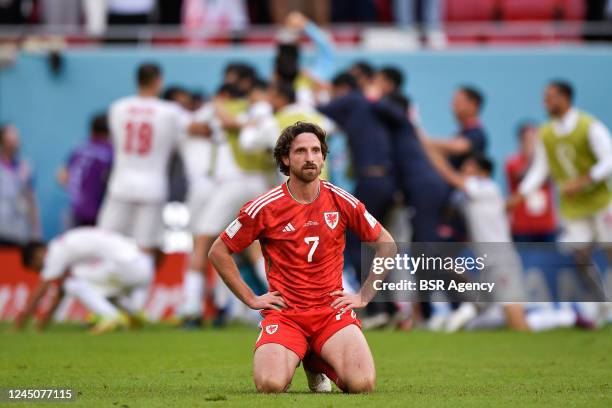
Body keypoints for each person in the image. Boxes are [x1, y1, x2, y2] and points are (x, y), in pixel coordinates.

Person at [208, 121, 396, 393]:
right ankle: (303, 351)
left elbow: (387, 244)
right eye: (300, 151)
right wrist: (251, 298)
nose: (310, 158)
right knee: (270, 385)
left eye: (316, 151)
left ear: (323, 156)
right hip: (286, 315)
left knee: (362, 384)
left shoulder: (341, 200)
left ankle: (315, 360)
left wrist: (364, 296)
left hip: (330, 312)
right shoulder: (264, 207)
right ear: (285, 158)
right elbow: (218, 251)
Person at [509, 80, 612, 306]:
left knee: (609, 248)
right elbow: (541, 168)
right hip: (573, 207)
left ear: (564, 98)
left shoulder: (588, 125)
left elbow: (609, 159)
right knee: (579, 256)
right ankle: (602, 304)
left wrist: (585, 181)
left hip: (601, 201)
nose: (545, 102)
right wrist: (522, 194)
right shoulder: (546, 133)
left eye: (549, 97)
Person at [97, 63, 210, 252]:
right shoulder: (169, 111)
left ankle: (101, 280)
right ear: (159, 81)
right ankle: (140, 281)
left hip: (121, 182)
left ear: (137, 80)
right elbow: (198, 128)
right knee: (145, 244)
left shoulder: (118, 108)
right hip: (153, 185)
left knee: (106, 239)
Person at [423, 148, 529, 332]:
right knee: (495, 315)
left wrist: (431, 150)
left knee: (515, 317)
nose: (464, 169)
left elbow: (449, 175)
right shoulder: (468, 195)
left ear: (484, 173)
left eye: (469, 166)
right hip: (486, 262)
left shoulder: (487, 188)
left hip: (501, 259)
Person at [13, 227, 154, 334]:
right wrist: (44, 321)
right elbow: (60, 292)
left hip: (126, 267)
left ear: (37, 254)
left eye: (36, 267)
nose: (40, 270)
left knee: (72, 281)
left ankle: (110, 316)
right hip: (144, 265)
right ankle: (133, 312)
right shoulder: (67, 243)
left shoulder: (56, 250)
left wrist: (21, 321)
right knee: (97, 287)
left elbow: (42, 290)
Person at [57, 113, 113, 228]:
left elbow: (61, 177)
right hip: (97, 216)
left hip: (74, 211)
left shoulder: (79, 149)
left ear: (92, 130)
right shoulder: (110, 153)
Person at [505, 121, 557, 242]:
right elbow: (522, 176)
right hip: (522, 227)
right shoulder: (512, 161)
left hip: (546, 225)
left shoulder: (546, 163)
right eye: (529, 139)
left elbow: (550, 177)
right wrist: (532, 158)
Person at [425, 86, 488, 169]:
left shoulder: (477, 134)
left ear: (474, 104)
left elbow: (457, 147)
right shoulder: (460, 133)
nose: (453, 106)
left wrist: (420, 139)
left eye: (458, 101)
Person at [0, 124, 41, 246]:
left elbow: (31, 200)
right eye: (11, 138)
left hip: (19, 231)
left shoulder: (25, 167)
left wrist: (36, 231)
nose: (15, 142)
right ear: (2, 140)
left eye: (16, 138)